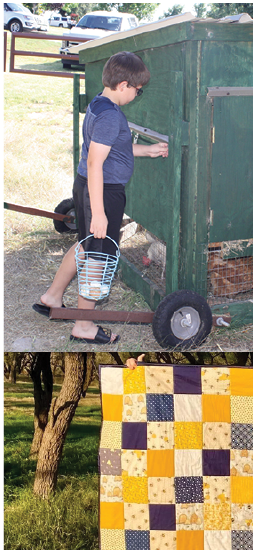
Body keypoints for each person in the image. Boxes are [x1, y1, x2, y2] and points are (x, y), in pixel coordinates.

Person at [34, 51, 168, 344]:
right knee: (98, 255)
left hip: (88, 186)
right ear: (123, 85)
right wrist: (100, 212)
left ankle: (52, 297)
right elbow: (97, 163)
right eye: (137, 89)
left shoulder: (99, 103)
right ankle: (83, 325)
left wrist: (148, 150)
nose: (137, 93)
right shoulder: (109, 116)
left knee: (85, 245)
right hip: (102, 192)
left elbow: (109, 151)